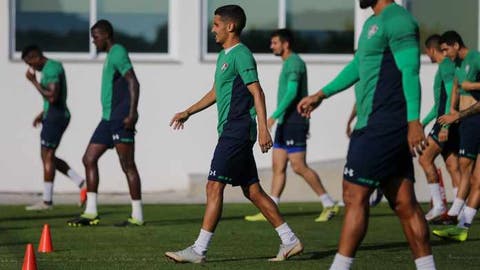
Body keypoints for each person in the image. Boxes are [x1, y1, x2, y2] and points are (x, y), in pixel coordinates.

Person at [297, 1, 435, 269]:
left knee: (354, 195)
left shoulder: (398, 19)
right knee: (404, 202)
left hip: (381, 125)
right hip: (376, 124)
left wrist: (414, 122)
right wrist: (321, 94)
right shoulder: (372, 23)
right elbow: (358, 67)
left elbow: (410, 70)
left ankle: (340, 266)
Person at [165, 5, 303, 263]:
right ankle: (290, 240)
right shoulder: (224, 56)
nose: (212, 29)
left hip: (238, 129)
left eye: (215, 24)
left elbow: (257, 92)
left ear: (230, 26)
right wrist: (188, 112)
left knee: (213, 185)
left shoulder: (242, 55)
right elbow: (217, 92)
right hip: (232, 130)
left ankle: (199, 250)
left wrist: (262, 128)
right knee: (253, 191)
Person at [244, 29, 338, 223]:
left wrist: (273, 117)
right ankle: (271, 208)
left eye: (275, 43)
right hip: (285, 122)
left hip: (294, 122)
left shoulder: (294, 63)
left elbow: (293, 93)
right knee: (277, 166)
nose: (272, 46)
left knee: (298, 166)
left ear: (285, 44)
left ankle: (329, 203)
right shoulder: (289, 63)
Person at [67, 20, 143, 227]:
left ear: (106, 35)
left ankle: (137, 216)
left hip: (120, 119)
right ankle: (91, 212)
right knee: (89, 158)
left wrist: (132, 113)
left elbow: (133, 82)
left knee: (127, 165)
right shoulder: (111, 55)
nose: (93, 41)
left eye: (96, 37)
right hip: (107, 119)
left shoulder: (118, 51)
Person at [22, 45, 86, 211]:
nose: (31, 67)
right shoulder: (50, 68)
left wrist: (34, 81)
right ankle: (81, 183)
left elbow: (52, 96)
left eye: (30, 62)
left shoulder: (51, 69)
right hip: (53, 115)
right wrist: (42, 113)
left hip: (56, 117)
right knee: (48, 156)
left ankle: (47, 201)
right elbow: (52, 99)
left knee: (48, 156)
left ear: (35, 57)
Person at [432, 31, 480, 241]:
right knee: (471, 172)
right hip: (467, 120)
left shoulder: (475, 59)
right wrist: (452, 109)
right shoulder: (458, 64)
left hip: (474, 120)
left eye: (445, 49)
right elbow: (456, 89)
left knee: (466, 167)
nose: (444, 54)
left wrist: (472, 87)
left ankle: (453, 214)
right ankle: (462, 226)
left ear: (455, 44)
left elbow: (466, 86)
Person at [418, 34, 461, 222]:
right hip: (448, 121)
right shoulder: (446, 67)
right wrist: (423, 122)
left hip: (446, 122)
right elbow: (438, 105)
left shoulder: (445, 67)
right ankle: (459, 211)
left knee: (424, 159)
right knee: (453, 166)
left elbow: (453, 94)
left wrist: (445, 124)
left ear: (431, 50)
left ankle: (438, 205)